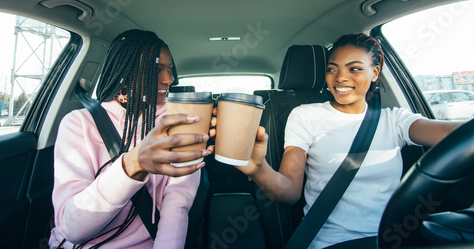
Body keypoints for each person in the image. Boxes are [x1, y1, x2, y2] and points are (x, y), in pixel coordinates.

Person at [236, 33, 465, 248]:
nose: (340, 78)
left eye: (354, 68)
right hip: (333, 243)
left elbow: (451, 134)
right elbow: (290, 192)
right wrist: (258, 169)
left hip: (392, 239)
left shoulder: (395, 120)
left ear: (375, 73)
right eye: (331, 69)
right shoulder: (306, 115)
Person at [49, 29, 214, 249]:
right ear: (125, 72)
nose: (170, 79)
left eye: (171, 69)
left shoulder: (178, 123)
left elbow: (177, 205)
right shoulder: (78, 123)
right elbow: (73, 229)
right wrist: (132, 165)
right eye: (157, 69)